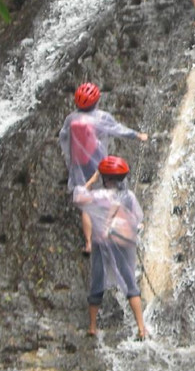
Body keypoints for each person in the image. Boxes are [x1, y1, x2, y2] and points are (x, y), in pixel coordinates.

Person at [59, 82, 149, 256]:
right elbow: (118, 130)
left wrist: (71, 162)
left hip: (79, 167)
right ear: (96, 102)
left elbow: (63, 139)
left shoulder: (71, 119)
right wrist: (138, 135)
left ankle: (88, 244)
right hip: (100, 166)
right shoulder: (101, 117)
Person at [73, 156, 149, 341]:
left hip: (101, 243)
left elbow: (78, 196)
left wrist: (92, 179)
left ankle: (92, 327)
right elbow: (138, 219)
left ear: (105, 178)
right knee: (130, 283)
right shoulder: (128, 196)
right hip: (122, 243)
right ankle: (141, 328)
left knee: (97, 283)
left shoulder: (98, 196)